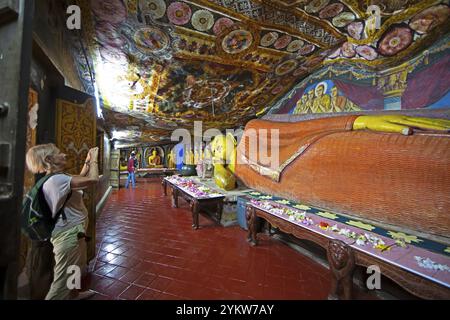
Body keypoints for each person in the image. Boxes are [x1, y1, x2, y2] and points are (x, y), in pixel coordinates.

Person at [25, 143, 99, 300]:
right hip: (68, 235)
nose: (64, 155)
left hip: (73, 231)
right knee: (60, 285)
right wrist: (94, 160)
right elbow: (92, 180)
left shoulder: (55, 179)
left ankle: (73, 295)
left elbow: (75, 183)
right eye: (59, 153)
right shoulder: (56, 180)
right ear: (49, 159)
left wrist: (86, 162)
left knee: (74, 267)